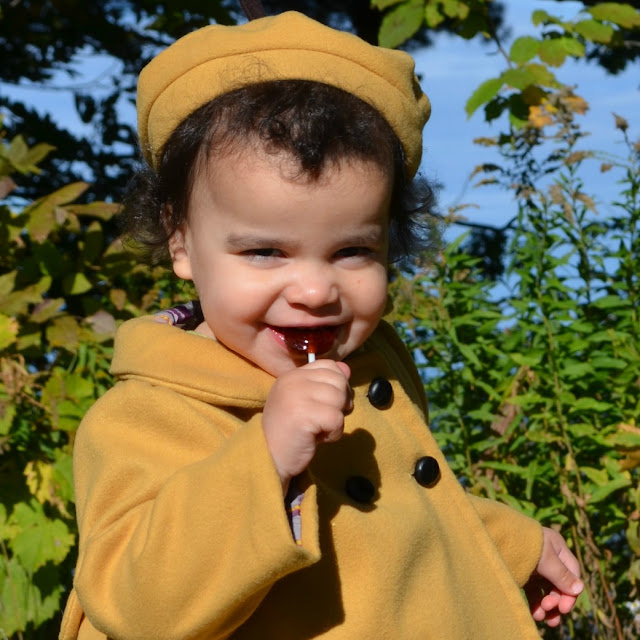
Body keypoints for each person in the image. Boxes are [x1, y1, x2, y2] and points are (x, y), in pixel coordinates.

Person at [59, 9, 583, 640]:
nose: (314, 291)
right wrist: (266, 456)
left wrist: (514, 545)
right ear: (180, 240)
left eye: (352, 251)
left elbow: (388, 517)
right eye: (265, 252)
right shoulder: (146, 416)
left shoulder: (368, 365)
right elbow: (138, 605)